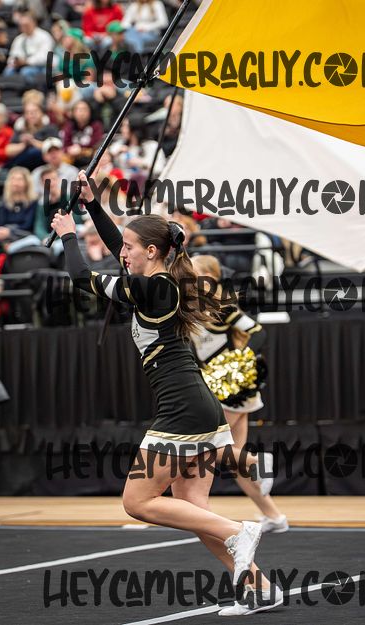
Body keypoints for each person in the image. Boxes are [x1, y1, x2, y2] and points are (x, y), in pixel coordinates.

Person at [50, 170, 284, 615]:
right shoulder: (159, 281)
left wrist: (67, 233)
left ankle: (238, 531)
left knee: (137, 501)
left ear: (152, 252)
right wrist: (92, 204)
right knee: (193, 508)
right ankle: (260, 587)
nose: (122, 253)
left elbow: (81, 277)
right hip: (197, 406)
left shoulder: (153, 288)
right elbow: (121, 243)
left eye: (129, 249)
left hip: (182, 411)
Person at [191, 254, 289, 535]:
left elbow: (257, 332)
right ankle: (274, 517)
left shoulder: (223, 308)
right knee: (233, 459)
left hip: (231, 387)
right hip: (217, 385)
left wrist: (237, 364)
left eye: (193, 273)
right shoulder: (192, 307)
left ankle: (258, 462)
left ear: (210, 277)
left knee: (206, 446)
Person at [4, 10, 54, 83]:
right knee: (8, 71)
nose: (24, 28)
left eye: (26, 25)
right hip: (21, 65)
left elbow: (45, 57)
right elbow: (12, 56)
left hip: (41, 66)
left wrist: (26, 61)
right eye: (22, 25)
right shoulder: (19, 39)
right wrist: (14, 62)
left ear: (34, 23)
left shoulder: (44, 36)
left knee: (26, 72)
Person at [0, 166, 38, 233]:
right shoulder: (5, 200)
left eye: (19, 179)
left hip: (24, 233)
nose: (15, 183)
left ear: (27, 182)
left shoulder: (33, 201)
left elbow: (28, 225)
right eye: (13, 179)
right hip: (5, 233)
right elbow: (1, 222)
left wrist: (10, 231)